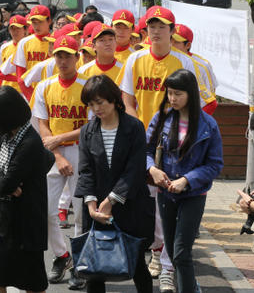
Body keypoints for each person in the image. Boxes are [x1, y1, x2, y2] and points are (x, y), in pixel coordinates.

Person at [75, 75, 155, 293]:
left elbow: (135, 169)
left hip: (129, 204)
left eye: (99, 102)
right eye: (91, 104)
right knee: (94, 268)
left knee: (137, 262)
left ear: (113, 99)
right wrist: (91, 206)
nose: (95, 109)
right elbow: (86, 170)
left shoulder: (134, 127)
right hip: (97, 208)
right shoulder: (87, 131)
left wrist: (111, 200)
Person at [146, 69, 223, 293]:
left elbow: (215, 164)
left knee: (181, 253)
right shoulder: (161, 118)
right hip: (165, 193)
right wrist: (153, 170)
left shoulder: (208, 125)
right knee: (171, 249)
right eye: (169, 93)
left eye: (178, 93)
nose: (172, 98)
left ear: (190, 93)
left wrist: (187, 180)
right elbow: (146, 150)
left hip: (193, 195)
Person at [29, 36, 89, 288]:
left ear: (77, 57)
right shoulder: (44, 86)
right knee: (46, 210)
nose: (63, 60)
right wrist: (57, 153)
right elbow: (42, 123)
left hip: (82, 152)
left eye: (68, 55)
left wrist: (61, 139)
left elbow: (93, 125)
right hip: (53, 153)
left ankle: (81, 264)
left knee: (81, 213)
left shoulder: (88, 86)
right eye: (59, 55)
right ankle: (61, 255)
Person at [0, 86, 54, 293]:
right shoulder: (4, 137)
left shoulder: (29, 142)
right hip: (5, 222)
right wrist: (3, 179)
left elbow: (5, 184)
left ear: (8, 116)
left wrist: (3, 182)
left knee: (31, 283)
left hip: (27, 224)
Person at [13, 5, 52, 101]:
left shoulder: (56, 41)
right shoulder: (24, 43)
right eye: (34, 23)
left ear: (49, 21)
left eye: (40, 22)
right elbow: (20, 76)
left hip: (53, 94)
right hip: (30, 95)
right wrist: (32, 97)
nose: (37, 26)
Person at [0, 15, 27, 95]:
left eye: (18, 28)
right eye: (12, 28)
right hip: (7, 90)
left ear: (25, 29)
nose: (15, 31)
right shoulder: (4, 47)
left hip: (24, 90)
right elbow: (0, 73)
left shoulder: (29, 46)